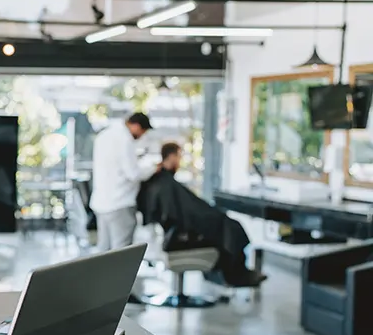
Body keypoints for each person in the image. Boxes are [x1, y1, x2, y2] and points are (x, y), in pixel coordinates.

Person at [137, 142, 266, 287]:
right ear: (172, 156)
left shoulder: (160, 179)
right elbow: (186, 211)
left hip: (177, 230)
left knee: (226, 227)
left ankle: (234, 274)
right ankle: (236, 276)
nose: (180, 160)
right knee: (229, 227)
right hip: (181, 234)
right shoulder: (165, 182)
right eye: (179, 156)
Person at [89, 112, 157, 251]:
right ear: (136, 126)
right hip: (120, 203)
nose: (142, 136)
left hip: (101, 203)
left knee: (104, 251)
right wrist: (153, 169)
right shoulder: (125, 140)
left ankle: (102, 274)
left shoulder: (104, 135)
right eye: (143, 131)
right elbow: (133, 174)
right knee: (121, 253)